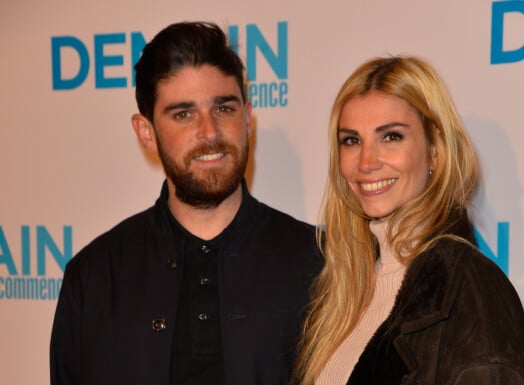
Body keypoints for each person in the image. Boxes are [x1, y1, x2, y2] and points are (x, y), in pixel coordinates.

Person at [50, 21, 321, 385]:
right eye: (183, 114)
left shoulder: (321, 265)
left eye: (223, 108)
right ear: (146, 132)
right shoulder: (94, 277)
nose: (209, 132)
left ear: (247, 117)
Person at [293, 56, 524, 385]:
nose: (366, 162)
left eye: (390, 137)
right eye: (352, 140)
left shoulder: (471, 290)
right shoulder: (340, 294)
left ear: (435, 150)